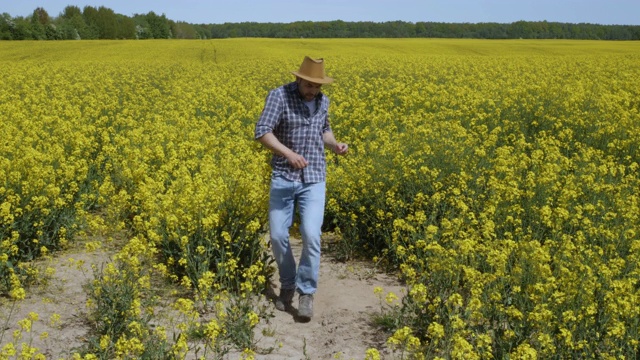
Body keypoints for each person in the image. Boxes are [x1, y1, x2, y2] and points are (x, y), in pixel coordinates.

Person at [254, 56, 348, 321]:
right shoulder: (279, 96)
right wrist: (288, 154)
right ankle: (287, 283)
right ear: (298, 79)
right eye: (309, 86)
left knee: (311, 234)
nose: (313, 91)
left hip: (315, 176)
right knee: (278, 235)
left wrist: (335, 145)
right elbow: (262, 131)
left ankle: (306, 292)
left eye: (317, 87)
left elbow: (324, 130)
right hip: (284, 176)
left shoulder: (323, 101)